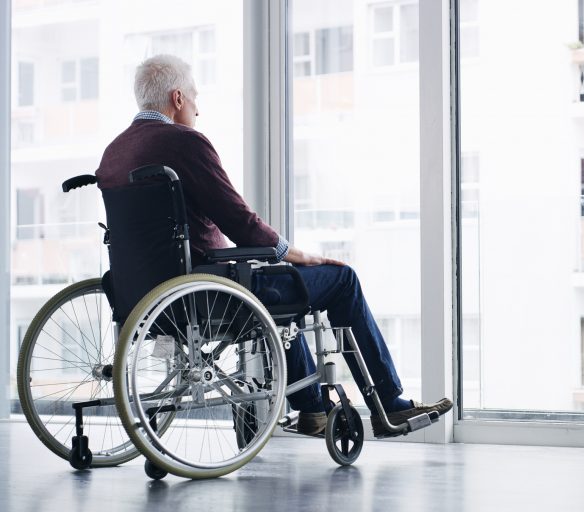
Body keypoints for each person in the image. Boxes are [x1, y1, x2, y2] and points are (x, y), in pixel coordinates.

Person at [96, 54, 451, 437]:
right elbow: (238, 220)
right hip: (208, 291)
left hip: (143, 298)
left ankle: (313, 408)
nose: (199, 109)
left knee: (284, 291)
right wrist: (295, 253)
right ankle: (389, 403)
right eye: (196, 97)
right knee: (341, 278)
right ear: (178, 98)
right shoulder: (184, 143)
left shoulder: (113, 153)